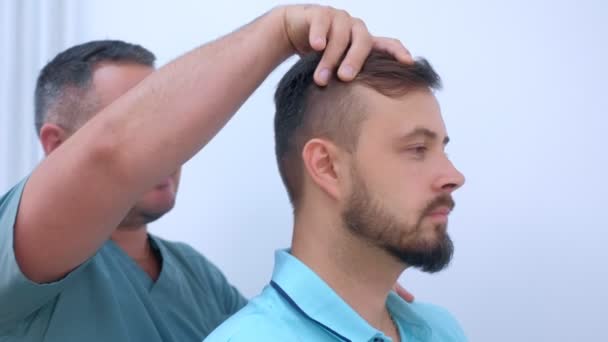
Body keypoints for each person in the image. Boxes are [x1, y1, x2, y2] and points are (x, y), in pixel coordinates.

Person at [0, 5, 414, 341]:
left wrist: (339, 300)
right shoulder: (19, 252)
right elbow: (112, 154)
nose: (169, 148)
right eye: (149, 128)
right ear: (57, 146)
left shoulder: (195, 275)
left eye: (171, 129)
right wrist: (280, 32)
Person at [203, 50, 468, 341]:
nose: (454, 177)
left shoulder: (441, 330)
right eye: (418, 149)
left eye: (443, 149)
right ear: (327, 167)